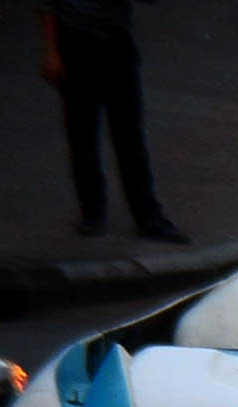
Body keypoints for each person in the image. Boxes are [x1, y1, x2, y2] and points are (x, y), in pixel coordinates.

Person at [44, 0, 181, 243]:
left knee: (128, 137)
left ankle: (146, 215)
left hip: (114, 44)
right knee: (83, 135)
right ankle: (93, 212)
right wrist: (52, 52)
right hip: (76, 45)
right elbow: (48, 6)